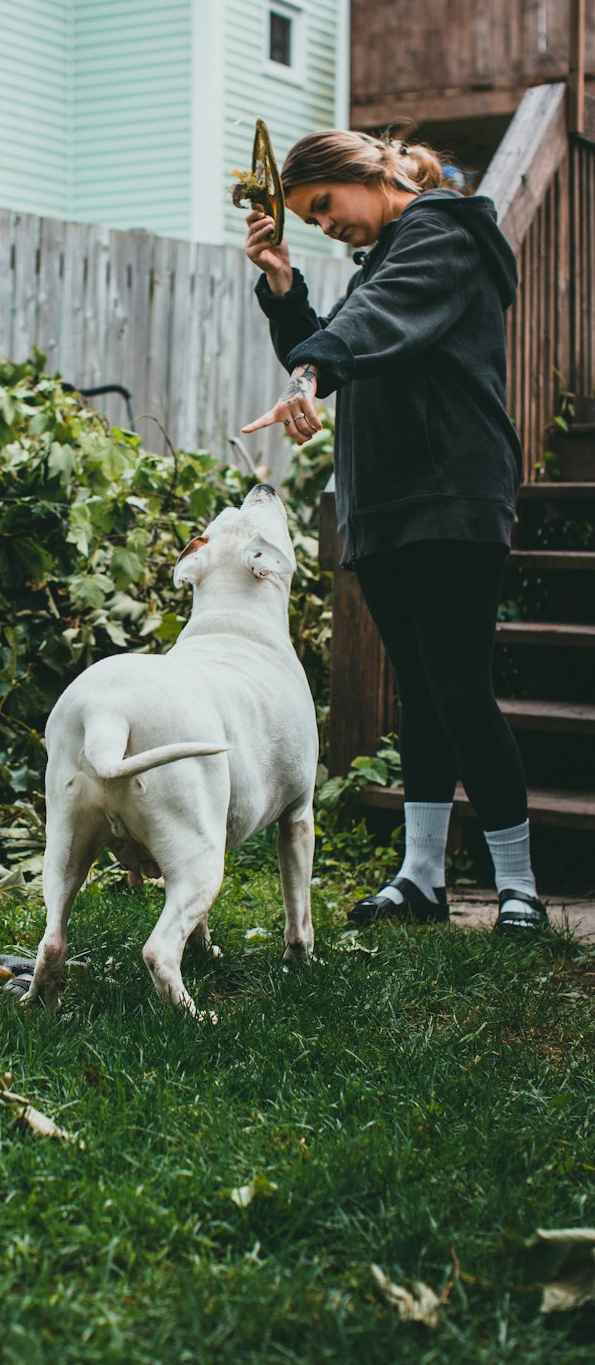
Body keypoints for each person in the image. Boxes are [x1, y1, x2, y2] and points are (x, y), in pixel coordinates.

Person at [242, 128, 547, 933]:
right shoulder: (384, 260)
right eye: (309, 219)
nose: (324, 225)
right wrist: (282, 286)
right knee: (420, 695)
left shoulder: (443, 233)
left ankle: (518, 885)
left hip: (450, 493)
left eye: (325, 207)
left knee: (459, 690)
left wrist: (314, 367)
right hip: (384, 503)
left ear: (364, 173)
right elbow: (344, 337)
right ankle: (421, 881)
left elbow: (366, 328)